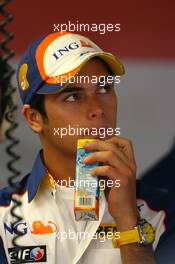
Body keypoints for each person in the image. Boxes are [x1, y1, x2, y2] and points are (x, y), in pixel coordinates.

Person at [0, 32, 164, 264]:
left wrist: (129, 222)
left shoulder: (163, 211)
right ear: (34, 118)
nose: (97, 109)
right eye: (73, 96)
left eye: (104, 89)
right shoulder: (4, 213)